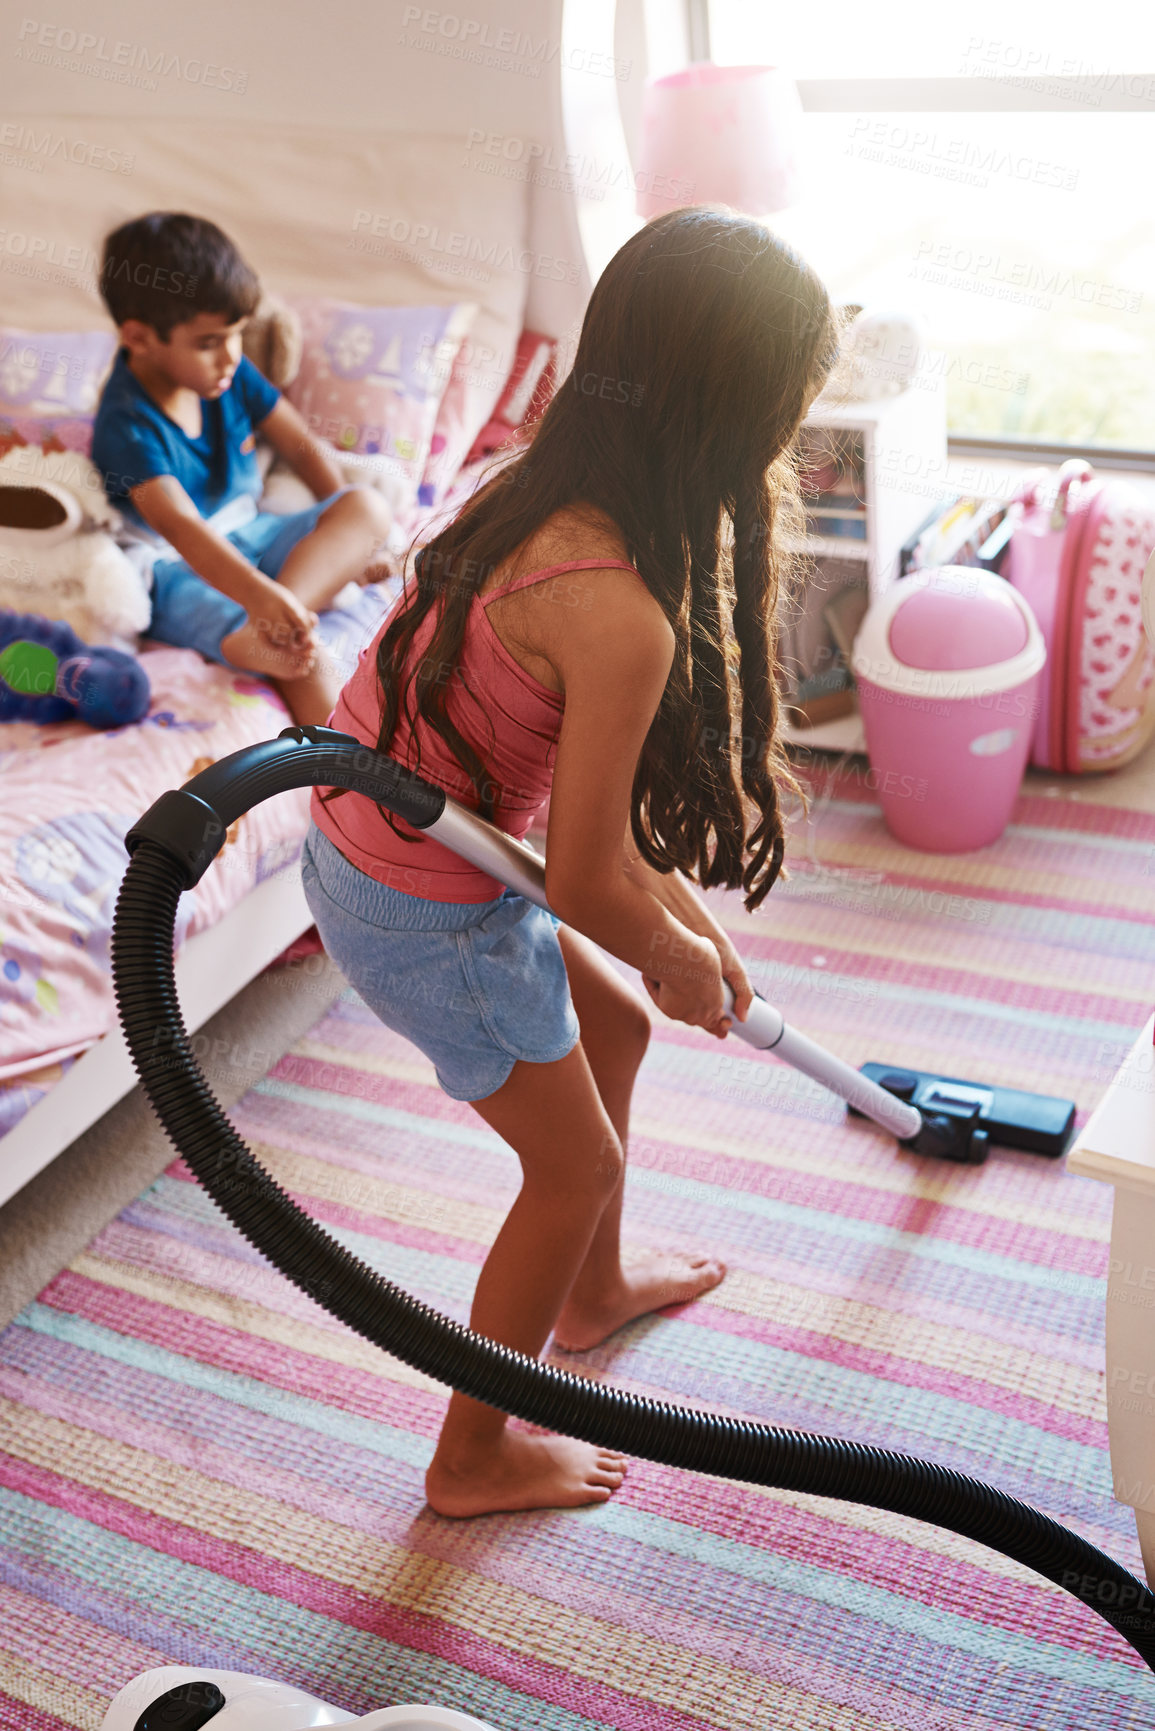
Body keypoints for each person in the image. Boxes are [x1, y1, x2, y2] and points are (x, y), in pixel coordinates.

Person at [303, 205, 840, 1518]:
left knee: (613, 1023)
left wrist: (683, 943)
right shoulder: (614, 610)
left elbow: (585, 842)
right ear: (728, 418)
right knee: (572, 1163)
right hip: (422, 909)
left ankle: (590, 1292)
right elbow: (589, 885)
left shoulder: (534, 494)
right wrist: (665, 947)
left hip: (394, 851)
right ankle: (469, 1453)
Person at [90, 211, 395, 727]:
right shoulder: (126, 423)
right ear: (139, 338)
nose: (229, 355)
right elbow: (180, 528)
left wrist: (285, 594)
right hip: (178, 569)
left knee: (366, 506)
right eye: (208, 343)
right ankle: (348, 787)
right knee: (299, 657)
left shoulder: (229, 375)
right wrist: (260, 596)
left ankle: (282, 620)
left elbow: (302, 446)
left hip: (253, 537)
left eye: (236, 334)